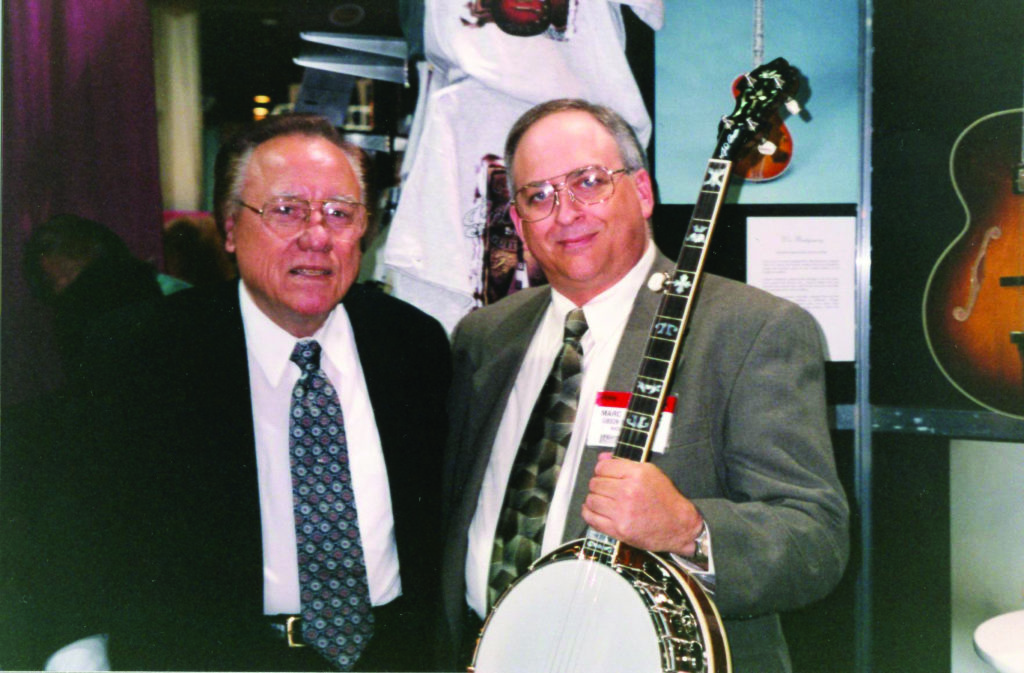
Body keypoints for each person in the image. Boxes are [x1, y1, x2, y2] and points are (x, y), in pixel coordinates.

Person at [440, 99, 850, 673]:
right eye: (539, 196)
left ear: (642, 191)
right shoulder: (483, 337)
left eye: (588, 182)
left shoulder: (749, 330)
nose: (567, 213)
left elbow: (817, 542)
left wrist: (690, 529)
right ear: (518, 223)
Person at [35, 114, 451, 672]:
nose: (317, 236)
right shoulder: (141, 354)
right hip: (217, 655)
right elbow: (71, 520)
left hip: (394, 653)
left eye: (339, 213)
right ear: (230, 228)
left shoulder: (413, 345)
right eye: (286, 210)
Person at [21, 214, 165, 380]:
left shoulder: (78, 306)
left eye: (66, 273)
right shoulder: (144, 281)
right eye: (53, 281)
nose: (61, 285)